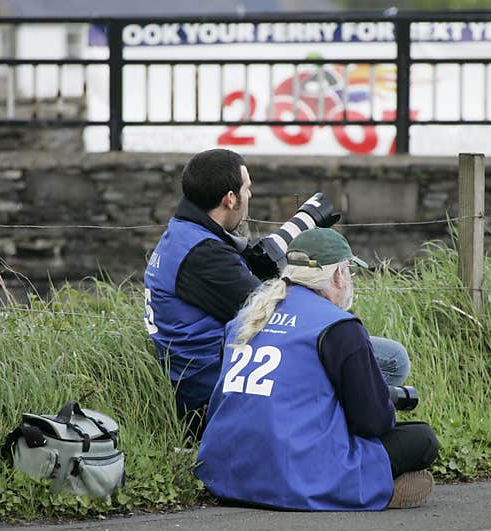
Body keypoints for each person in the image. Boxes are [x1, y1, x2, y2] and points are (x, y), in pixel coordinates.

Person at [144, 148, 411, 438]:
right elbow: (277, 314)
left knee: (360, 360)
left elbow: (245, 294)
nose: (251, 196)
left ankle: (327, 425)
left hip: (217, 370)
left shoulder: (183, 234)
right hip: (214, 397)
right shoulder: (204, 255)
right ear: (230, 199)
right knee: (391, 359)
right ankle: (326, 439)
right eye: (247, 189)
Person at [194, 228, 439, 511]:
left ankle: (378, 484)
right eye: (348, 271)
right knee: (423, 440)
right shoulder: (339, 326)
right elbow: (374, 423)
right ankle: (377, 489)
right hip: (293, 473)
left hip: (225, 470)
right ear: (338, 275)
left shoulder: (247, 316)